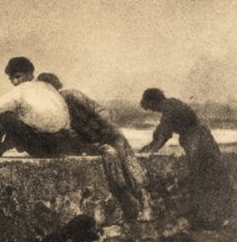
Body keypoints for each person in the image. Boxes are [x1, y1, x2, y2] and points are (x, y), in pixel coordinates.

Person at [38, 73, 153, 222]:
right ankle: (130, 208)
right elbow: (69, 133)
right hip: (95, 142)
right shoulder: (53, 109)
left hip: (109, 133)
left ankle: (146, 206)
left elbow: (100, 112)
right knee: (113, 168)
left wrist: (106, 133)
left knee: (129, 164)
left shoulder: (71, 95)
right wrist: (90, 146)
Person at [140, 88, 234, 229]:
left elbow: (163, 134)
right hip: (202, 140)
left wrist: (150, 151)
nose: (154, 111)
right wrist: (150, 146)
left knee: (203, 179)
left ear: (154, 101)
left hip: (198, 142)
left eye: (152, 107)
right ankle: (216, 218)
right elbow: (161, 130)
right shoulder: (172, 104)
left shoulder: (169, 108)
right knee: (211, 177)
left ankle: (211, 220)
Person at [0, 57, 73, 158]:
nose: (15, 82)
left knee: (4, 117)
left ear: (30, 74)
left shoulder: (22, 88)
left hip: (39, 147)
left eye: (17, 77)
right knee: (23, 122)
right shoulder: (50, 89)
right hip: (59, 147)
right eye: (11, 79)